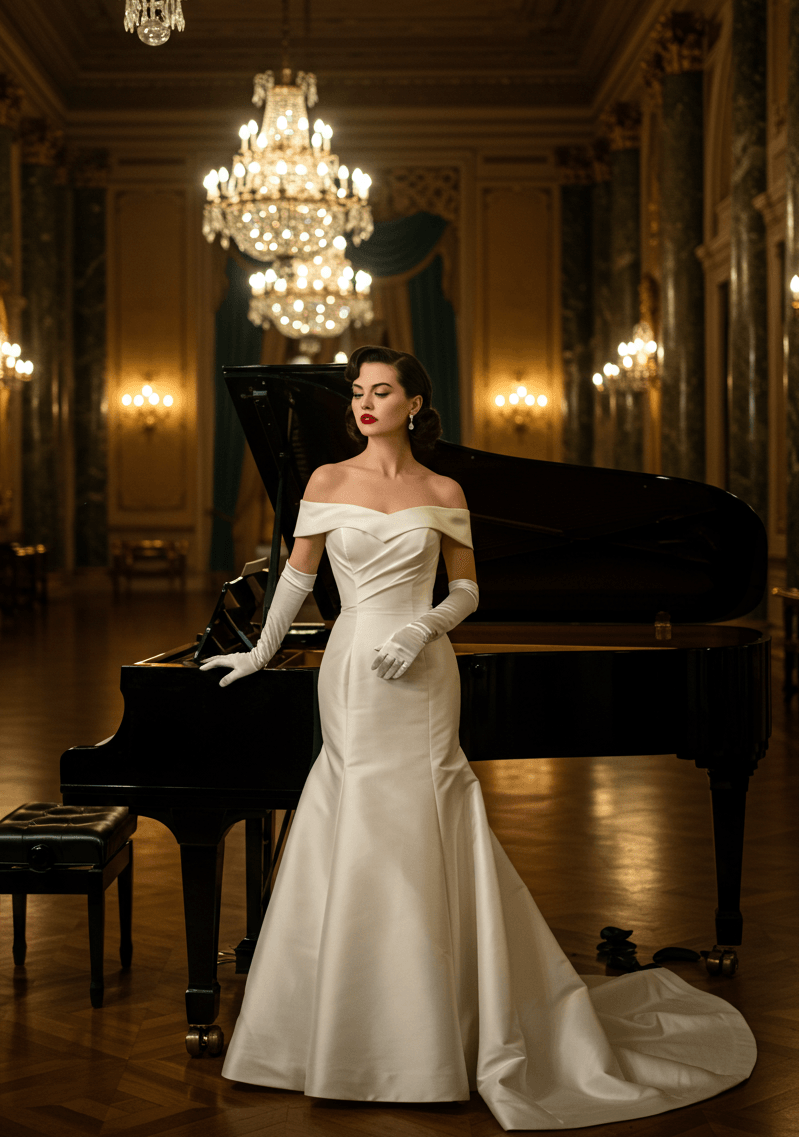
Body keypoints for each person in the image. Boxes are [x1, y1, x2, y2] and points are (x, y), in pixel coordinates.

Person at [200, 345, 756, 1130]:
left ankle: (444, 1028)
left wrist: (423, 629)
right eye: (358, 392)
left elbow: (466, 589)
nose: (364, 404)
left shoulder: (444, 488)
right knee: (350, 806)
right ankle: (329, 1029)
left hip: (422, 671)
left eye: (381, 392)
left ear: (415, 405)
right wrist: (260, 652)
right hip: (353, 665)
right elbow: (298, 574)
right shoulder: (326, 480)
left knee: (428, 812)